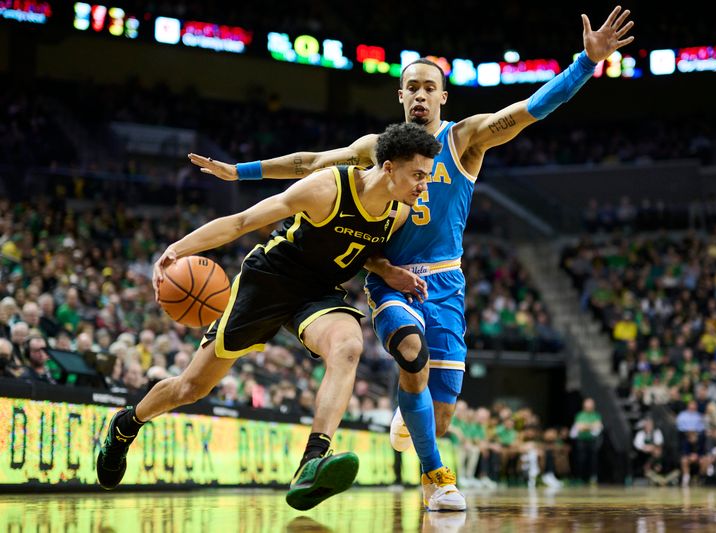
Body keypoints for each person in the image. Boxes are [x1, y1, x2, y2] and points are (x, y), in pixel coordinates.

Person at [190, 6, 635, 510]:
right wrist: (238, 172)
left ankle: (419, 425)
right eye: (412, 87)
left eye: (430, 87)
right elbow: (310, 163)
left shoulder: (464, 140)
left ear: (443, 97)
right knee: (409, 351)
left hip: (445, 284)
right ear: (400, 96)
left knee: (440, 415)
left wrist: (585, 63)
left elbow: (531, 108)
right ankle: (438, 477)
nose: (420, 94)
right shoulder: (377, 149)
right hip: (388, 280)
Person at [95, 123, 441, 511]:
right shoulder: (327, 187)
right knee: (191, 388)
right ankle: (126, 424)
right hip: (270, 280)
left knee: (347, 347)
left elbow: (363, 250)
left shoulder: (398, 214)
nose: (424, 186)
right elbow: (244, 221)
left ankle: (311, 461)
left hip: (319, 292)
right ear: (390, 167)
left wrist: (383, 268)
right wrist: (178, 247)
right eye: (419, 175)